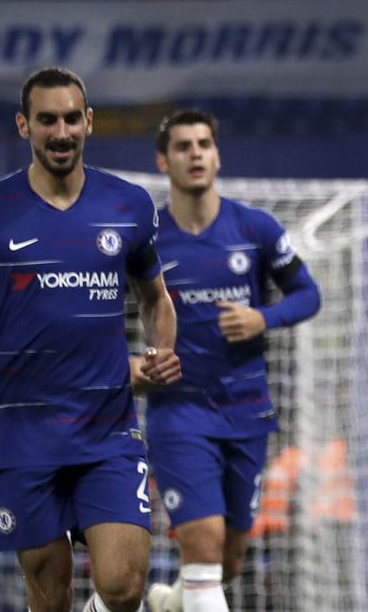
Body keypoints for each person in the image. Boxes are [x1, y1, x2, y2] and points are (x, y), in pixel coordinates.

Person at [0, 67, 181, 612]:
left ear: (88, 121)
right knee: (49, 595)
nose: (60, 132)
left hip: (106, 429)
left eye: (70, 118)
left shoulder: (129, 205)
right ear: (24, 125)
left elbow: (156, 297)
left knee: (125, 585)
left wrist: (161, 352)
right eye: (46, 120)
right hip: (21, 435)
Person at [139, 110, 321, 612]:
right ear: (163, 160)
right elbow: (110, 308)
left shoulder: (255, 228)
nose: (195, 153)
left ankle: (169, 603)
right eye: (183, 146)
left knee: (228, 560)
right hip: (179, 412)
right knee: (202, 540)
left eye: (204, 144)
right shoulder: (147, 237)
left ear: (218, 156)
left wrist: (263, 318)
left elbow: (308, 295)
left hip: (246, 412)